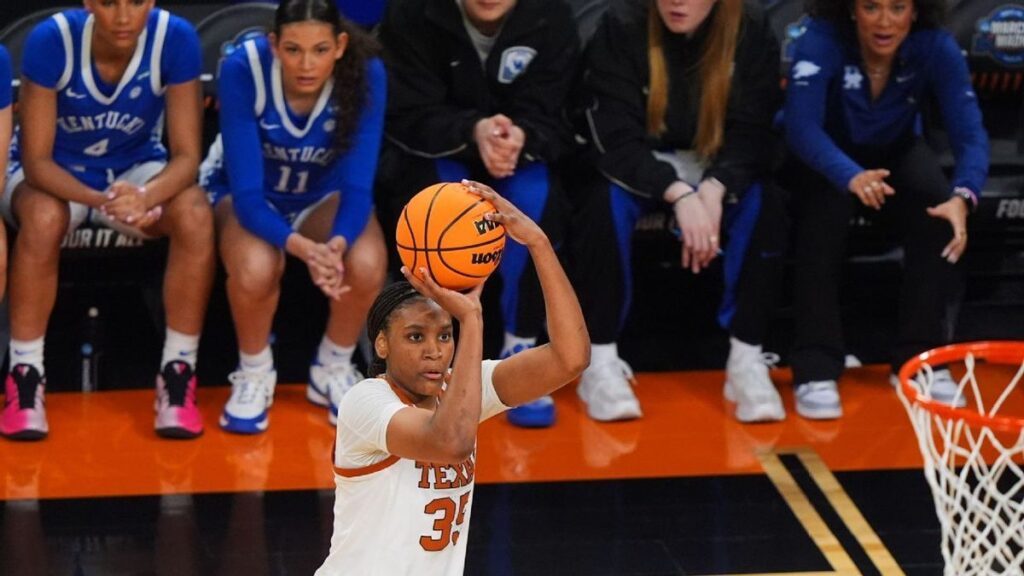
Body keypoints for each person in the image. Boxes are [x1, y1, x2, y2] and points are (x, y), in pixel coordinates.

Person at [315, 180, 589, 575]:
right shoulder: (365, 402)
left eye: (444, 335)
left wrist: (539, 244)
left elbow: (571, 358)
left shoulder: (459, 392)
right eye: (414, 336)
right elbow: (451, 442)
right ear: (381, 345)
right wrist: (471, 319)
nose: (434, 350)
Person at [0, 0, 213, 440]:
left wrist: (145, 196)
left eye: (135, 3)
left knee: (193, 211)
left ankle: (178, 374)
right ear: (88, 3)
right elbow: (37, 161)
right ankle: (25, 375)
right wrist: (101, 200)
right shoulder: (52, 39)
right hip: (57, 176)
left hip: (134, 174)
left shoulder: (175, 38)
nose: (122, 16)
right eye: (110, 3)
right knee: (42, 218)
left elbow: (188, 157)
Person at [570, 0, 786, 422]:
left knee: (767, 202)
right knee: (601, 203)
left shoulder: (751, 30)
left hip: (715, 167)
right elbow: (613, 137)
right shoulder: (622, 25)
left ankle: (746, 358)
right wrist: (679, 195)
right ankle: (598, 359)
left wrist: (714, 188)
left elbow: (755, 133)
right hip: (645, 165)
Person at [376, 0, 581, 428]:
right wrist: (472, 132)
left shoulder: (552, 16)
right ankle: (424, 359)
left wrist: (522, 136)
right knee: (432, 214)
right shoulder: (410, 14)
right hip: (441, 151)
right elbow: (405, 115)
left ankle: (522, 347)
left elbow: (564, 116)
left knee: (534, 198)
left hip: (519, 154)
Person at [783, 0, 988, 418]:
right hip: (827, 152)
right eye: (871, 7)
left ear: (915, 12)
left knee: (939, 211)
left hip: (896, 148)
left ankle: (920, 359)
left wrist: (963, 197)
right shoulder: (820, 40)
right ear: (852, 10)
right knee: (823, 215)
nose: (884, 21)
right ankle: (816, 367)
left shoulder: (935, 46)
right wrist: (849, 175)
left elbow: (970, 136)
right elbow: (801, 127)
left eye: (897, 8)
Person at [201, 0, 387, 432]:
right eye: (293, 50)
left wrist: (336, 244)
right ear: (273, 45)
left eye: (320, 50)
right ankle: (254, 371)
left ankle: (334, 366)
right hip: (247, 195)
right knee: (256, 266)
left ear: (340, 46)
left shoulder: (367, 72)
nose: (306, 64)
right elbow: (247, 197)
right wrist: (306, 250)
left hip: (322, 196)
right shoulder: (241, 68)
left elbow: (359, 187)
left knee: (365, 261)